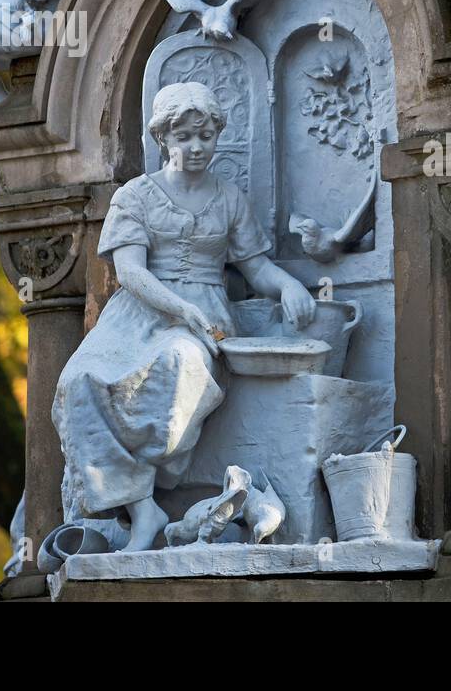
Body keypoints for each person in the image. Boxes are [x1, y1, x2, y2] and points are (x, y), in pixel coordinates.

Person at [51, 81, 315, 552]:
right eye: (184, 137)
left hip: (206, 318)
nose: (196, 147)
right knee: (79, 381)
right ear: (163, 139)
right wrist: (181, 307)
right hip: (138, 316)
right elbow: (129, 271)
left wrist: (290, 285)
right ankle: (139, 508)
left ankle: (149, 496)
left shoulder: (229, 198)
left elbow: (254, 267)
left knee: (178, 366)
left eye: (206, 136)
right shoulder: (135, 196)